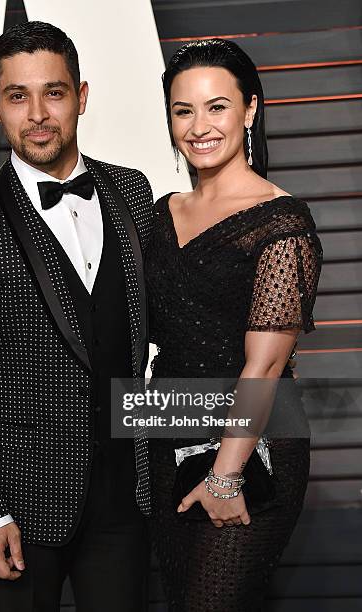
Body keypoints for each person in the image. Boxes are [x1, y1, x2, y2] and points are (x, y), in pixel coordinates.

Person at [0, 21, 153, 612]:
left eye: (54, 92)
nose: (38, 113)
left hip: (126, 498)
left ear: (81, 96)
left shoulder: (133, 191)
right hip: (17, 508)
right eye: (18, 96)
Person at [144, 39, 323, 611]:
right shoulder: (160, 212)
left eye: (217, 107)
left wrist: (226, 474)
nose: (199, 126)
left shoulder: (281, 220)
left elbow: (266, 362)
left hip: (251, 445)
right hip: (166, 424)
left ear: (250, 110)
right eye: (183, 110)